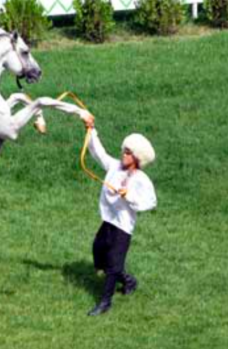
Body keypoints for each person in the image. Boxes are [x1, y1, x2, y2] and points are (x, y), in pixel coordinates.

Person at [82, 115, 157, 316]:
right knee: (98, 251)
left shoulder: (141, 179)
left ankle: (105, 302)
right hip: (108, 220)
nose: (124, 153)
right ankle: (128, 280)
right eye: (124, 150)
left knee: (113, 264)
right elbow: (99, 153)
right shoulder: (114, 166)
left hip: (123, 227)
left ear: (137, 159)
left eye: (128, 152)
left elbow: (150, 202)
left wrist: (129, 196)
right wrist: (91, 130)